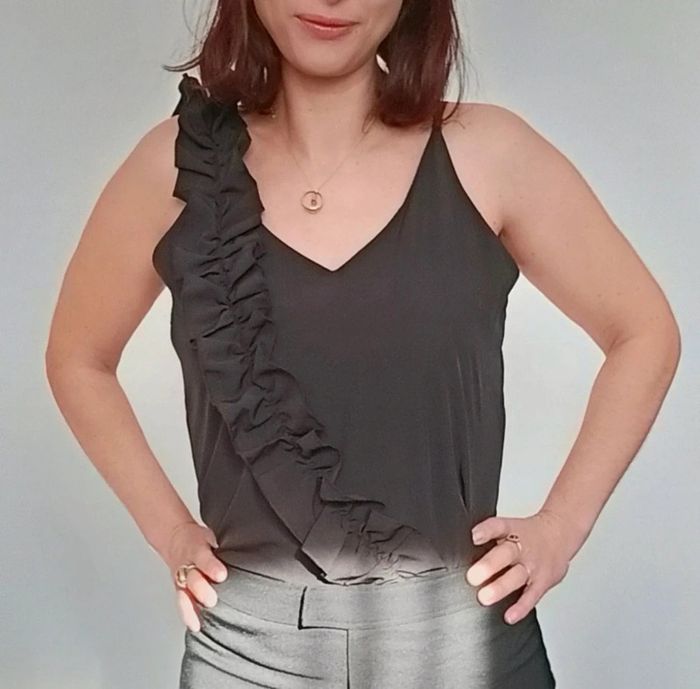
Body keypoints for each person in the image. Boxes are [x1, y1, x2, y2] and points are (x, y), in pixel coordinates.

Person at [45, 1, 681, 687]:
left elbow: (643, 330)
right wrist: (170, 531)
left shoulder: (491, 153)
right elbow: (77, 357)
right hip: (247, 655)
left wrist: (561, 527)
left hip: (463, 650)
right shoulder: (175, 167)